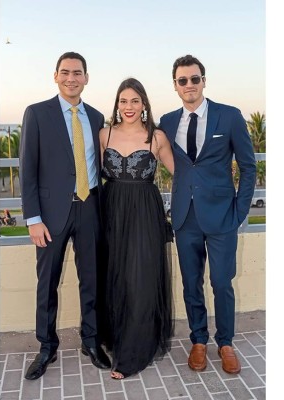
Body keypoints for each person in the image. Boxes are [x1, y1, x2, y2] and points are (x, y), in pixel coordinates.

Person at [159, 55, 256, 374]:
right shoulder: (168, 121)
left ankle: (225, 342)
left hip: (221, 217)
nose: (190, 85)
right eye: (183, 80)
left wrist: (240, 211)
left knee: (221, 282)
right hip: (185, 217)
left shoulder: (229, 116)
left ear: (204, 80)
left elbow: (247, 166)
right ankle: (198, 340)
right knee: (190, 284)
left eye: (195, 79)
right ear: (175, 85)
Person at [19, 51, 111, 380]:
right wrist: (33, 218)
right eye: (65, 72)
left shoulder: (98, 117)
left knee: (93, 279)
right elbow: (27, 169)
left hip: (90, 208)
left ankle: (91, 341)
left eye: (78, 72)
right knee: (47, 284)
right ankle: (46, 347)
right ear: (55, 76)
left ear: (86, 78)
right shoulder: (37, 113)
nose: (71, 78)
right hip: (50, 213)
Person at [98, 78, 175, 380]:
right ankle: (115, 339)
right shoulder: (104, 134)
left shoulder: (156, 137)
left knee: (140, 280)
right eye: (123, 101)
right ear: (117, 104)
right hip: (111, 212)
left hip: (144, 213)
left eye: (134, 101)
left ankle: (133, 354)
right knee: (113, 277)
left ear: (144, 104)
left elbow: (180, 175)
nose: (128, 107)